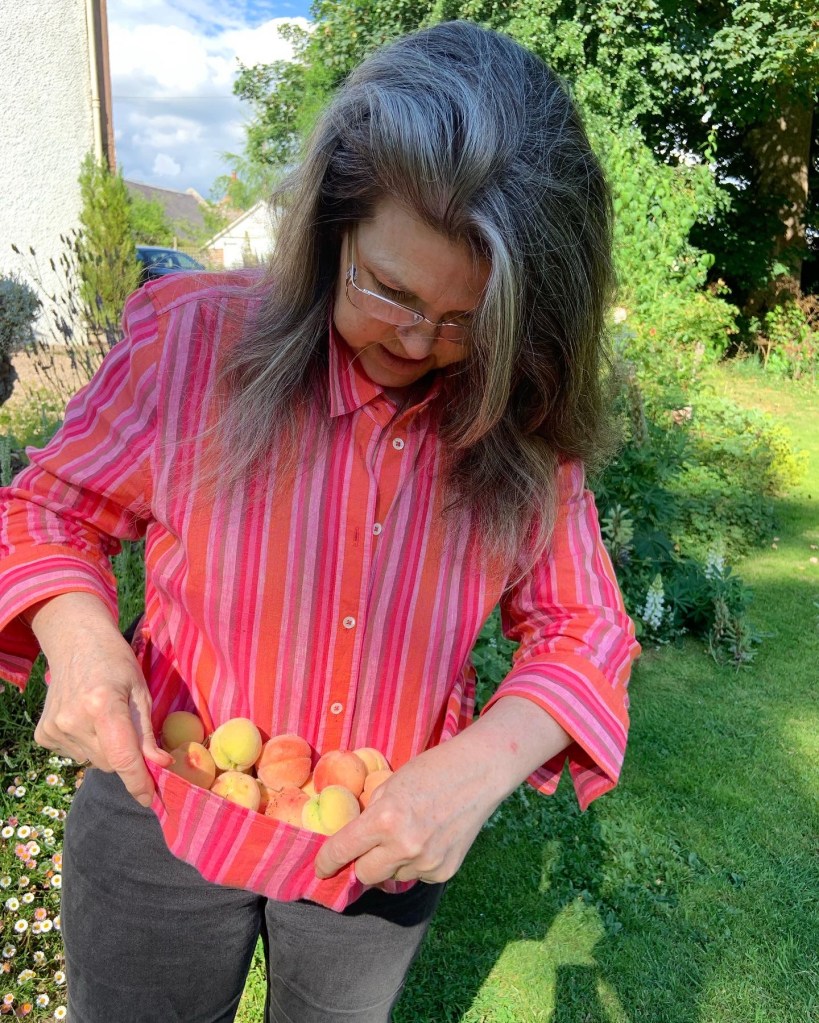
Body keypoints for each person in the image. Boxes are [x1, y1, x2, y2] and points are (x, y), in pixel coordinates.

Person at [0, 20, 639, 1023]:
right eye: (389, 288)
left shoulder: (518, 413)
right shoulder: (193, 346)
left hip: (378, 849)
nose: (421, 339)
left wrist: (476, 773)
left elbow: (586, 627)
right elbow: (46, 510)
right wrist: (77, 637)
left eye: (468, 319)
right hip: (162, 806)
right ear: (329, 222)